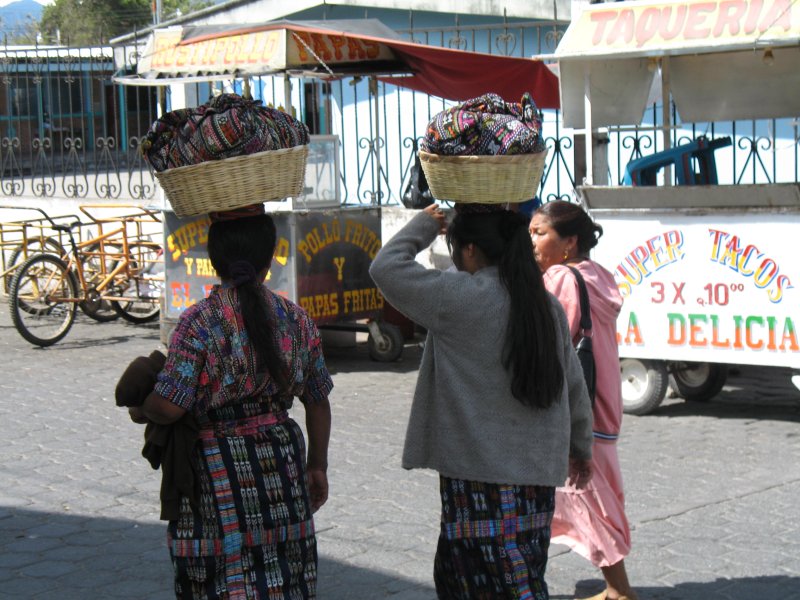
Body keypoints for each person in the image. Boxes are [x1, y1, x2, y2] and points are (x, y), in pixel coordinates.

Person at [369, 203, 594, 600]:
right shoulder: (546, 306)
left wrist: (424, 225)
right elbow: (573, 384)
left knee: (473, 584)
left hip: (474, 479)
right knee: (522, 574)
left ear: (470, 250)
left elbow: (385, 267)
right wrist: (581, 448)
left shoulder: (456, 298)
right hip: (534, 481)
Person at [124, 207, 333, 599]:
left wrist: (142, 408)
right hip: (282, 466)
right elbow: (318, 401)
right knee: (283, 580)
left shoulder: (198, 323)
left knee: (220, 580)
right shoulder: (296, 319)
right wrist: (317, 465)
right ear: (270, 259)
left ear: (213, 259)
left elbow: (169, 406)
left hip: (215, 472)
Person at [529, 200, 637, 600]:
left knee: (583, 498)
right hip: (603, 405)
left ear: (569, 242)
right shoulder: (599, 275)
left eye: (540, 234)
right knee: (583, 500)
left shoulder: (560, 278)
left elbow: (546, 344)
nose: (532, 243)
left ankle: (620, 592)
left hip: (577, 413)